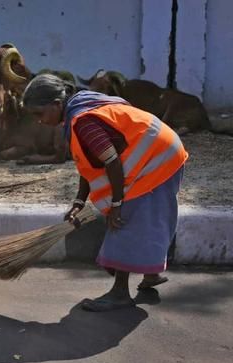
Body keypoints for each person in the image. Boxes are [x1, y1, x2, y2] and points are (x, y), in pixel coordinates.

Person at [21, 74, 188, 312]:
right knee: (151, 217)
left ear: (57, 104)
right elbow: (90, 164)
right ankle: (151, 274)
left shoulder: (83, 121)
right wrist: (79, 202)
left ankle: (120, 293)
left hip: (156, 158)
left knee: (125, 220)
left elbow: (111, 163)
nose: (39, 121)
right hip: (165, 151)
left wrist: (117, 204)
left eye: (39, 114)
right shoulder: (82, 107)